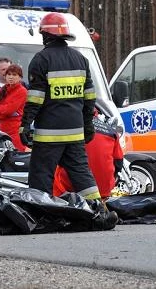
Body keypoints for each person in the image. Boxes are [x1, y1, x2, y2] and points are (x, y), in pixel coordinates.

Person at [19, 12, 117, 230]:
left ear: (46, 35)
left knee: (41, 174)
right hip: (75, 131)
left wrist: (25, 124)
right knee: (82, 173)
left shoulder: (41, 60)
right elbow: (89, 97)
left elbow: (35, 97)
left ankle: (42, 216)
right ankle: (100, 211)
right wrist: (88, 124)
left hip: (49, 134)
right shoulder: (80, 59)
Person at [53, 109, 123, 200]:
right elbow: (118, 164)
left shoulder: (68, 128)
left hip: (71, 191)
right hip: (103, 191)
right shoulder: (111, 131)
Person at [0, 64, 28, 151]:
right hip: (2, 130)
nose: (11, 77)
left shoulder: (22, 91)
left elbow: (9, 110)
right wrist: (5, 112)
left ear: (20, 77)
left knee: (18, 153)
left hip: (15, 130)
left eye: (14, 75)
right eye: (9, 74)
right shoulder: (3, 89)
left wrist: (1, 110)